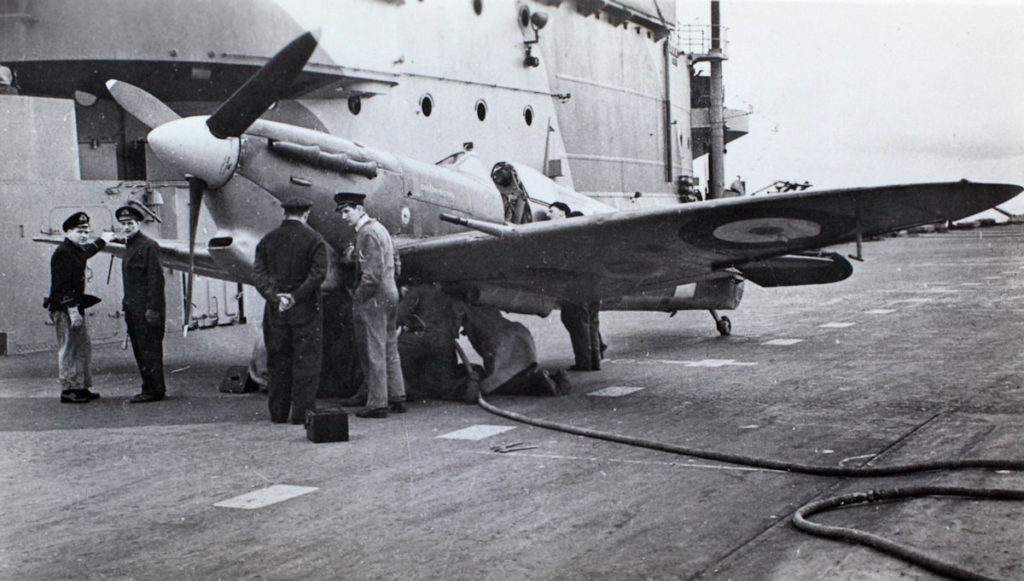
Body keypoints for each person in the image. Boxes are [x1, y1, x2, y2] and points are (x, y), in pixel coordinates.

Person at [251, 197, 327, 424]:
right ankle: (302, 414)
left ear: (284, 213)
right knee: (306, 362)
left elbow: (258, 274)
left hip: (276, 312)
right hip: (305, 310)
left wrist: (275, 298)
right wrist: (295, 297)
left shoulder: (267, 240)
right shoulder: (315, 240)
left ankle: (278, 412)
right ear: (306, 214)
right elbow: (318, 274)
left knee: (277, 361)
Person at [334, 192, 405, 418]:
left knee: (373, 349)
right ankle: (397, 395)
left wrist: (358, 297)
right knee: (390, 346)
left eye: (347, 211)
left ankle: (377, 403)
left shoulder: (366, 234)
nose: (344, 216)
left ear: (360, 209)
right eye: (342, 212)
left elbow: (371, 276)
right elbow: (395, 262)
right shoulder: (380, 229)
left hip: (374, 297)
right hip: (390, 292)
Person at [45, 211, 114, 403]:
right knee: (69, 347)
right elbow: (63, 284)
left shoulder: (73, 250)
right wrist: (73, 311)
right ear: (68, 232)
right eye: (79, 231)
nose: (84, 235)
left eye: (86, 231)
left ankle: (81, 386)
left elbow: (86, 252)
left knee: (82, 346)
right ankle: (69, 390)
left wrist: (102, 241)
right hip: (66, 307)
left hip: (74, 306)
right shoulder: (63, 253)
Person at [457, 304, 570, 401]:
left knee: (496, 385)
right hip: (517, 330)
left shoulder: (467, 313)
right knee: (519, 372)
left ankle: (539, 381)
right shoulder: (482, 305)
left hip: (500, 339)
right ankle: (551, 378)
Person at [115, 205, 167, 403]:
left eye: (130, 223)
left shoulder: (148, 246)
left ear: (138, 223)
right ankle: (151, 387)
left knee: (149, 349)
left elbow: (156, 279)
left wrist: (153, 308)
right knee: (140, 348)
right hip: (133, 308)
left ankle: (153, 390)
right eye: (123, 224)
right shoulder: (130, 246)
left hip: (146, 309)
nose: (126, 227)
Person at [547, 203, 604, 371]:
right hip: (594, 289)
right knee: (592, 325)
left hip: (575, 290)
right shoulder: (592, 243)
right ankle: (595, 362)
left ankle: (584, 363)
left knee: (578, 326)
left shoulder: (570, 244)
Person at [397, 283, 467, 402]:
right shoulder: (445, 291)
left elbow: (399, 316)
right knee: (442, 384)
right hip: (444, 342)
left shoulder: (415, 291)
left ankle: (407, 391)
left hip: (421, 339)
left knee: (398, 350)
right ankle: (462, 387)